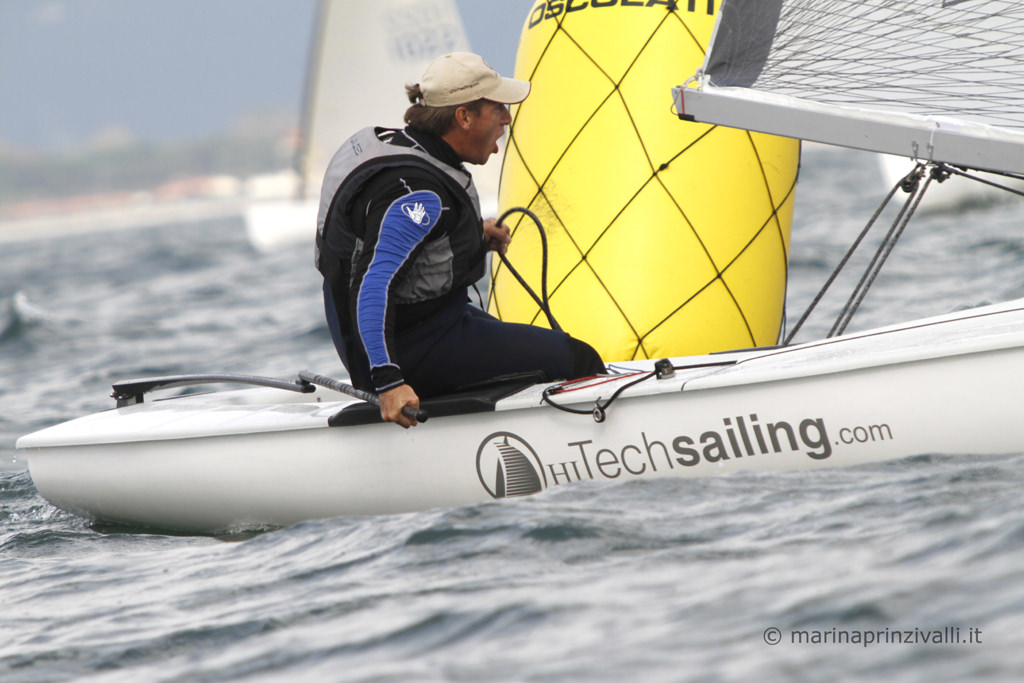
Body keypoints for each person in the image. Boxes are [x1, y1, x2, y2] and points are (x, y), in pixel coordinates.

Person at [315, 52, 604, 428]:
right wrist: (389, 382)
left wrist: (472, 234)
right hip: (405, 348)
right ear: (463, 117)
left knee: (530, 349)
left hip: (407, 329)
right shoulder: (417, 195)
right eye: (497, 108)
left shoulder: (401, 148)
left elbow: (394, 237)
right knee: (577, 359)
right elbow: (373, 285)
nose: (507, 118)